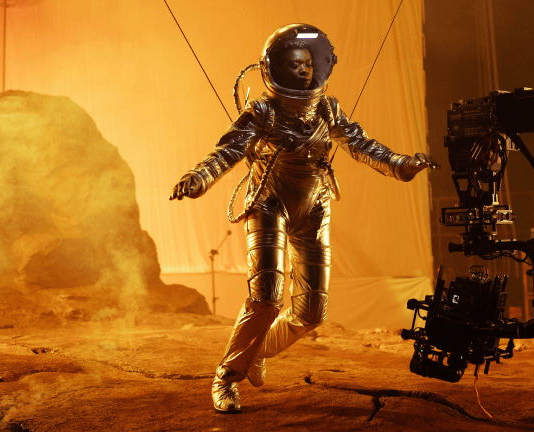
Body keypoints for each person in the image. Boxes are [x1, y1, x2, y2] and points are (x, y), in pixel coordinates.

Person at [169, 24, 439, 413]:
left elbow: (362, 145)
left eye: (308, 64)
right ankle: (226, 377)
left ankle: (255, 350)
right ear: (275, 69)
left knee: (311, 313)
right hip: (269, 206)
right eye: (295, 64)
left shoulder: (328, 110)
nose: (303, 71)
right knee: (266, 299)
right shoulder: (261, 112)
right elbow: (226, 152)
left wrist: (402, 164)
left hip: (313, 209)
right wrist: (199, 178)